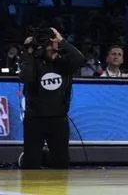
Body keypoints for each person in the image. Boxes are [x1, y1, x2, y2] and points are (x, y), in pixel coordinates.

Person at [19, 27, 85, 169]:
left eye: (53, 45)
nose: (51, 48)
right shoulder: (34, 62)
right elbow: (26, 77)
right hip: (34, 118)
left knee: (61, 162)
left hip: (58, 118)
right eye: (48, 45)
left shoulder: (65, 64)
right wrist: (28, 52)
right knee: (31, 163)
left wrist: (62, 41)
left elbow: (80, 59)